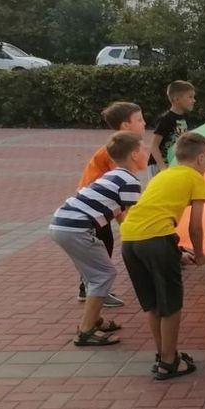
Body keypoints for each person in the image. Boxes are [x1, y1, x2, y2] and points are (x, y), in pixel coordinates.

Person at [120, 131, 205, 380]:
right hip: (157, 240)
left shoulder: (164, 175)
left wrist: (176, 252)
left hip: (130, 240)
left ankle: (164, 354)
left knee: (153, 304)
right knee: (170, 304)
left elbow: (152, 213)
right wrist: (200, 255)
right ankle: (170, 362)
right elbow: (195, 227)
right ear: (201, 158)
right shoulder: (195, 178)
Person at [50, 132, 145, 347]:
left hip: (62, 223)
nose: (145, 153)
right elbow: (133, 219)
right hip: (75, 228)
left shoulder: (114, 175)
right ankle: (86, 331)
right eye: (143, 149)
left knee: (96, 275)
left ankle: (93, 320)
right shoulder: (130, 181)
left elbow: (121, 216)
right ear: (134, 154)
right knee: (104, 274)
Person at [74, 101, 147, 307]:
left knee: (102, 246)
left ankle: (88, 287)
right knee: (102, 248)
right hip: (93, 209)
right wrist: (130, 227)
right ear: (126, 126)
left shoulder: (118, 146)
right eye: (139, 120)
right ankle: (95, 290)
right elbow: (119, 193)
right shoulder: (118, 152)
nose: (144, 123)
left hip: (96, 207)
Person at [149, 81, 195, 177]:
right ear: (177, 99)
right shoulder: (166, 119)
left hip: (173, 165)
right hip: (159, 166)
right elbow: (154, 145)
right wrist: (163, 168)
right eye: (190, 97)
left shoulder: (185, 118)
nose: (194, 100)